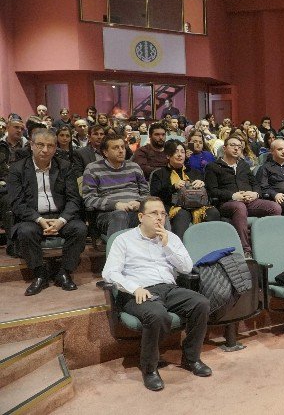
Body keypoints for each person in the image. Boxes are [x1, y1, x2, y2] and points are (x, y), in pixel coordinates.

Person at [102, 197, 211, 391]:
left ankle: (191, 358)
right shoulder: (123, 240)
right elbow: (110, 273)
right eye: (154, 213)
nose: (159, 218)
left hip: (169, 288)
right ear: (141, 217)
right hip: (137, 292)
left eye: (162, 213)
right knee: (157, 314)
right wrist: (134, 288)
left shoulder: (171, 237)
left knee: (201, 303)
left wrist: (167, 245)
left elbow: (186, 268)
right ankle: (149, 368)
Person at [8, 129, 88, 296]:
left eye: (50, 145)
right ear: (31, 145)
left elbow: (74, 199)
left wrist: (62, 220)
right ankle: (39, 273)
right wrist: (38, 219)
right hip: (32, 217)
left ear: (55, 148)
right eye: (40, 145)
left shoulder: (65, 167)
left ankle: (64, 272)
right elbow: (17, 203)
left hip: (60, 216)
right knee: (25, 231)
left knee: (79, 229)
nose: (45, 150)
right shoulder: (18, 169)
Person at [204, 135, 281, 257]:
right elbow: (212, 191)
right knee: (240, 207)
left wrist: (255, 194)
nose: (236, 149)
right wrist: (233, 196)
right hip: (227, 203)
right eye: (233, 145)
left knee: (275, 208)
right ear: (224, 148)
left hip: (249, 201)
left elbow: (255, 184)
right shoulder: (213, 167)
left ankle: (266, 244)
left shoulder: (243, 165)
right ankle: (246, 250)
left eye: (239, 147)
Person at [150, 141, 221, 240]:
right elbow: (155, 195)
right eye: (176, 152)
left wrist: (202, 184)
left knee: (213, 212)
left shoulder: (194, 172)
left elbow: (210, 192)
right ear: (168, 156)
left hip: (197, 205)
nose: (180, 155)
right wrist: (173, 187)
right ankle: (180, 249)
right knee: (182, 214)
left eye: (182, 152)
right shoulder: (160, 174)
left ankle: (211, 244)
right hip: (173, 207)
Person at [82, 134, 149, 237]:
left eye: (122, 147)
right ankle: (116, 252)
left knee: (158, 213)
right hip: (108, 214)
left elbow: (146, 193)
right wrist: (116, 205)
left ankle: (165, 250)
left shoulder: (134, 167)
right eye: (115, 148)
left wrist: (139, 202)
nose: (121, 150)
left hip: (135, 211)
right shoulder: (92, 169)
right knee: (120, 215)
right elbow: (89, 199)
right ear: (105, 152)